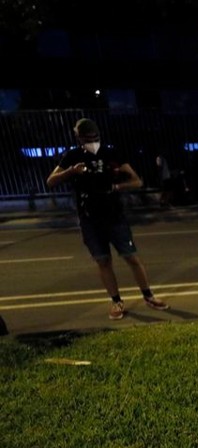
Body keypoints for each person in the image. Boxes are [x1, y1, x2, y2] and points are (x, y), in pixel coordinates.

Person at [46, 118, 169, 320]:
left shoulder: (111, 154)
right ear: (78, 138)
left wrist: (116, 186)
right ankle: (116, 301)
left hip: (114, 215)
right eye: (87, 138)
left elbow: (137, 181)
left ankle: (149, 296)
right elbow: (50, 181)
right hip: (89, 218)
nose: (91, 141)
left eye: (94, 137)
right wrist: (71, 171)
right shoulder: (73, 156)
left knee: (131, 257)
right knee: (103, 261)